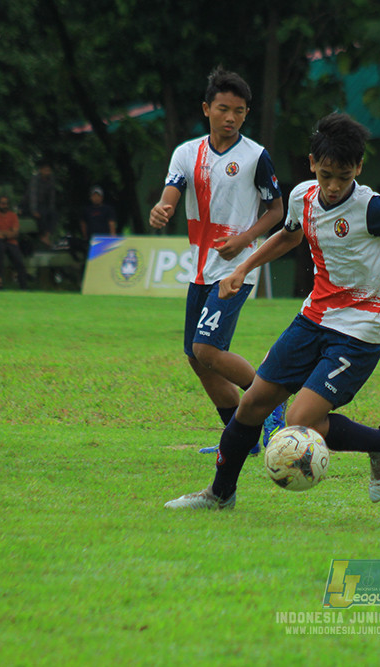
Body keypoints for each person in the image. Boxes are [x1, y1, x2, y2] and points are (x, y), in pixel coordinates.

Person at [163, 112, 380, 510]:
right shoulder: (303, 196)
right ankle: (219, 495)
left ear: (359, 169)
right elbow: (288, 236)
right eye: (326, 174)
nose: (333, 186)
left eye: (343, 177)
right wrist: (243, 267)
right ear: (313, 163)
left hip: (359, 331)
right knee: (252, 405)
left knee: (299, 420)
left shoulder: (373, 209)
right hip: (313, 319)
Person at [149, 67, 285, 456]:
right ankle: (240, 439)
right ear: (206, 108)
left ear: (246, 114)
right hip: (201, 268)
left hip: (236, 269)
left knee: (208, 350)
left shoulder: (256, 156)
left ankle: (272, 401)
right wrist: (162, 209)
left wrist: (243, 240)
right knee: (196, 358)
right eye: (223, 109)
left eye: (239, 111)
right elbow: (171, 193)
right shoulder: (186, 153)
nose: (231, 118)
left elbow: (276, 211)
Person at [0, 195, 29, 290]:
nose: (4, 205)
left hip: (11, 241)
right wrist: (7, 233)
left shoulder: (13, 216)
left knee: (18, 259)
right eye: (2, 203)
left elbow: (15, 232)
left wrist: (3, 234)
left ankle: (23, 285)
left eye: (6, 203)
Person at [25, 162, 58, 247]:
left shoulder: (51, 180)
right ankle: (42, 235)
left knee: (53, 214)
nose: (48, 172)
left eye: (49, 170)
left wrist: (51, 208)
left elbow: (52, 197)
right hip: (31, 204)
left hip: (44, 204)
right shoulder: (35, 180)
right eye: (46, 170)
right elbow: (33, 196)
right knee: (41, 214)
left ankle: (47, 235)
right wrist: (34, 210)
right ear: (41, 170)